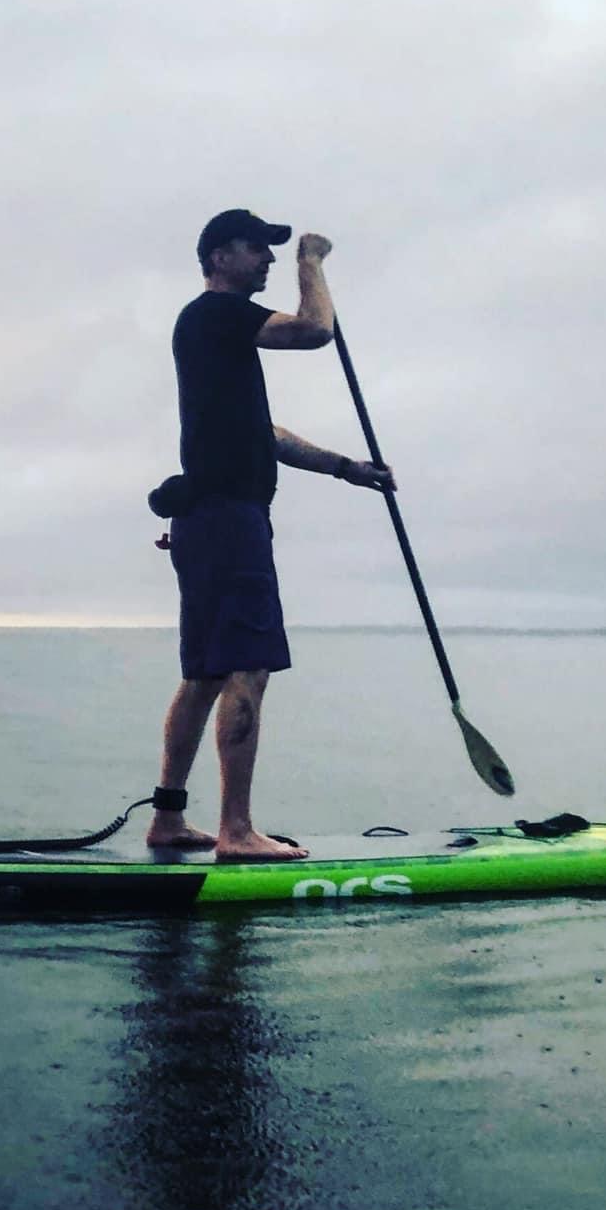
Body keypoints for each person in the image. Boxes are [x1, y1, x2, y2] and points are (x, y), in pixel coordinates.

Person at [147, 209, 393, 860]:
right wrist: (313, 260)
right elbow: (315, 330)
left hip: (206, 518)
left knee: (205, 674)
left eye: (276, 251)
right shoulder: (218, 314)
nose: (270, 259)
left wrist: (345, 468)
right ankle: (237, 831)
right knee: (246, 669)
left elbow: (265, 434)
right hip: (230, 520)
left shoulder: (212, 335)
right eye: (256, 247)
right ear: (218, 256)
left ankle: (168, 819)